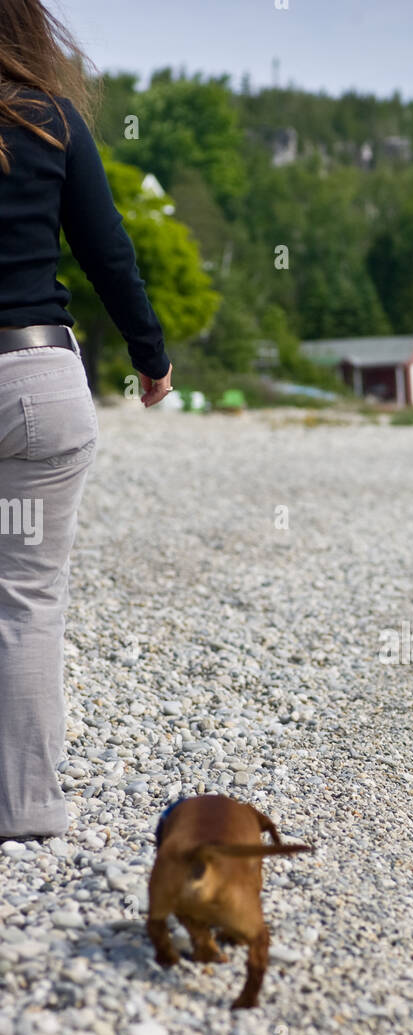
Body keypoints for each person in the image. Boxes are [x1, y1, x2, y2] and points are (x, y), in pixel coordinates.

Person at [0, 1, 172, 841]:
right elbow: (108, 249)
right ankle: (28, 809)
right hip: (38, 389)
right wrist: (152, 356)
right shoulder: (53, 120)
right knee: (26, 595)